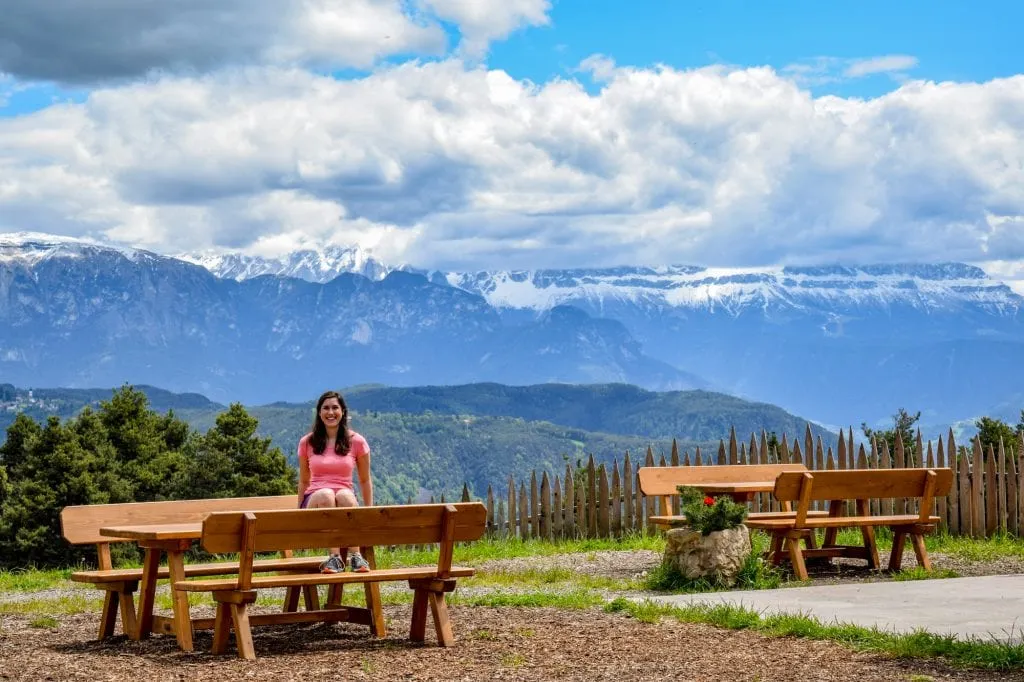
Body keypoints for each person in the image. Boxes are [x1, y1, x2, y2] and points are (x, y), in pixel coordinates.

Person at [297, 390, 373, 573]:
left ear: (343, 412)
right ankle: (335, 558)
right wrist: (298, 511)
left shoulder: (357, 442)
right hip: (315, 500)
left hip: (344, 501)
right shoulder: (307, 442)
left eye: (335, 408)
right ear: (319, 412)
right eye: (326, 408)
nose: (330, 413)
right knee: (326, 494)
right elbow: (304, 480)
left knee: (344, 495)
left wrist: (369, 511)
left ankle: (356, 556)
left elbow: (364, 479)